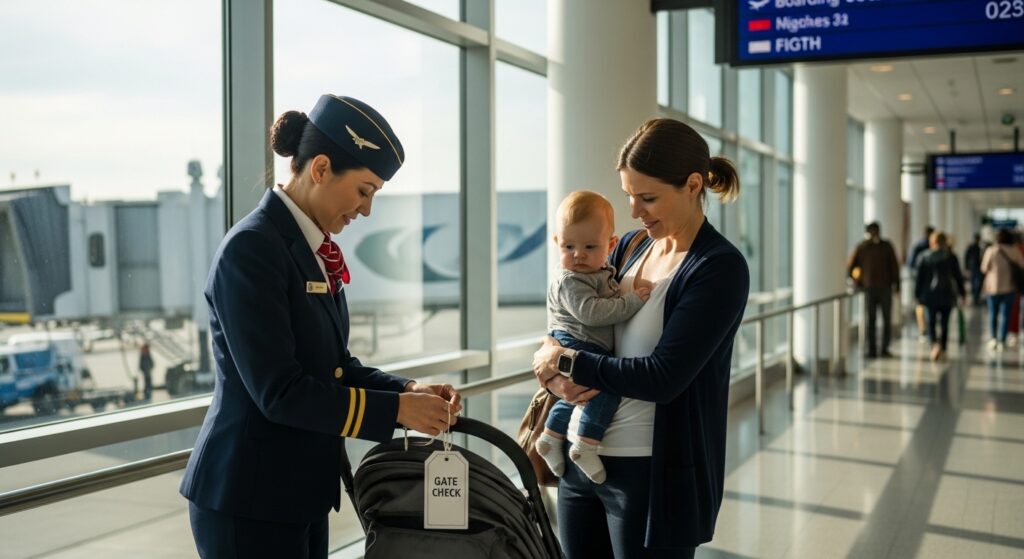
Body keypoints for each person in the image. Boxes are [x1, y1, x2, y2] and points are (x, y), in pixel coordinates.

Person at [180, 94, 462, 559]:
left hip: (296, 493)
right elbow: (281, 392)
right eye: (364, 191)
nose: (365, 210)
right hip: (248, 499)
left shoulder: (309, 249)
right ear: (320, 168)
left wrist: (410, 391)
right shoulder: (252, 250)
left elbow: (334, 368)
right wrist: (395, 411)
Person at [533, 118, 749, 558]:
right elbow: (571, 320)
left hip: (652, 477)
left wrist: (567, 362)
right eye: (630, 196)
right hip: (580, 463)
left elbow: (663, 377)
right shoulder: (627, 248)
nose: (634, 211)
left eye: (648, 198)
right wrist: (547, 358)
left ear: (692, 185)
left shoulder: (718, 267)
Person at [534, 191, 651, 485]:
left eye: (589, 246)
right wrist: (632, 301)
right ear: (556, 243)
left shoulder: (601, 270)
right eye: (569, 246)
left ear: (610, 245)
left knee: (578, 394)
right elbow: (591, 313)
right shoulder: (571, 279)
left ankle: (549, 437)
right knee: (604, 389)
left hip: (583, 344)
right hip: (575, 341)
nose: (578, 255)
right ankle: (585, 444)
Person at [847, 222, 901, 358]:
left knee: (886, 318)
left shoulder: (886, 246)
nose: (873, 234)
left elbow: (894, 266)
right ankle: (872, 349)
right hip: (869, 289)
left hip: (884, 288)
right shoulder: (862, 247)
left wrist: (897, 284)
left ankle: (884, 348)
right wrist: (857, 282)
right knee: (871, 320)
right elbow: (850, 267)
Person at [915, 231, 966, 361]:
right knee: (945, 323)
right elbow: (957, 277)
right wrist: (962, 293)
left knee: (931, 321)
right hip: (947, 294)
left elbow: (919, 279)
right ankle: (943, 348)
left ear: (932, 242)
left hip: (929, 296)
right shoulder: (951, 257)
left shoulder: (924, 256)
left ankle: (934, 345)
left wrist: (917, 295)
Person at [981, 228, 1024, 351]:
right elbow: (1022, 266)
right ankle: (1002, 340)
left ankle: (993, 338)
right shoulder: (1014, 251)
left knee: (993, 314)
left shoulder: (991, 250)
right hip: (1009, 287)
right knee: (1006, 315)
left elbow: (984, 268)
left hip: (992, 288)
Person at [963, 233, 984, 306]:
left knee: (975, 283)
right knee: (975, 283)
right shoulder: (974, 247)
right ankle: (975, 298)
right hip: (975, 267)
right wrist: (966, 267)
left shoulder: (978, 247)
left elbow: (966, 257)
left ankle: (976, 298)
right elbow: (967, 257)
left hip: (976, 267)